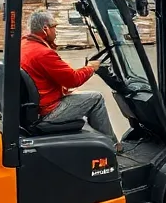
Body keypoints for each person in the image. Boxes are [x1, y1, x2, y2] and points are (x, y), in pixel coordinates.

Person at [21, 10, 122, 150]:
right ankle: (112, 146)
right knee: (96, 98)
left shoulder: (24, 45)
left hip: (34, 107)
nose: (56, 31)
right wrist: (91, 68)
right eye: (54, 27)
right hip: (47, 112)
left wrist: (64, 89)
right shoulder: (43, 53)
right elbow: (73, 80)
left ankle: (96, 144)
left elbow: (47, 77)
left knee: (79, 95)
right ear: (45, 29)